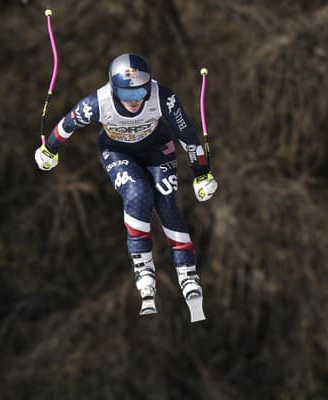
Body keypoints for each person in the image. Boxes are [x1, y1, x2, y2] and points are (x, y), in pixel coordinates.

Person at [34, 53, 218, 319]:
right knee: (138, 194)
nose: (133, 99)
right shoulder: (98, 102)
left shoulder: (162, 97)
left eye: (140, 91)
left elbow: (186, 134)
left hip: (157, 149)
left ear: (150, 85)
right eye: (124, 91)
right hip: (117, 151)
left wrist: (202, 172)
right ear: (112, 87)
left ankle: (187, 274)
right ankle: (143, 267)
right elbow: (67, 124)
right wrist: (48, 149)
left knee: (166, 201)